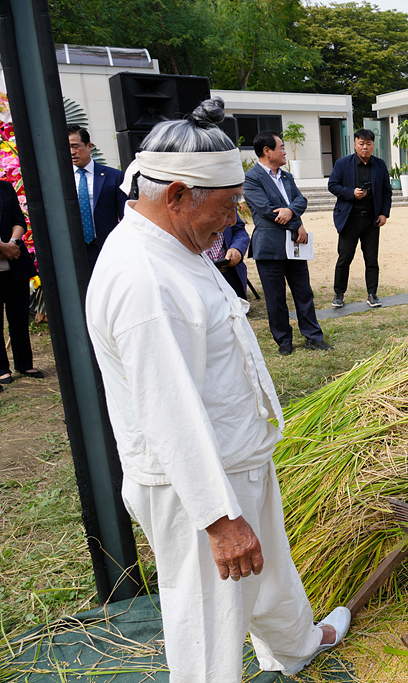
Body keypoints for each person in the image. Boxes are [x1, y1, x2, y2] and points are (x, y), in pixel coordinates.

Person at [86, 98, 350, 683]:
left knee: (271, 571)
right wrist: (218, 519)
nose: (234, 220)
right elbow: (167, 411)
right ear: (177, 194)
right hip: (198, 484)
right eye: (228, 206)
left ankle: (297, 644)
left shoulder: (175, 242)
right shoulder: (144, 280)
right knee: (208, 616)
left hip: (235, 456)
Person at [245, 131, 330, 356]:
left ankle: (313, 336)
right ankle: (284, 340)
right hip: (270, 247)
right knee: (275, 298)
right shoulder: (252, 178)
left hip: (295, 245)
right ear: (267, 151)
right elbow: (267, 210)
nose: (284, 151)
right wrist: (296, 225)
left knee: (304, 293)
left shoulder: (286, 176)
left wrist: (291, 210)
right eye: (281, 147)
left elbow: (301, 200)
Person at [328, 128, 392, 308]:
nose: (365, 147)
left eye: (369, 144)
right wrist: (351, 193)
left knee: (372, 259)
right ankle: (339, 293)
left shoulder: (380, 165)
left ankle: (372, 294)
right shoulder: (343, 164)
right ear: (355, 144)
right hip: (350, 219)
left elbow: (387, 191)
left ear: (373, 145)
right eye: (361, 143)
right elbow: (332, 185)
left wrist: (384, 213)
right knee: (344, 258)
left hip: (372, 220)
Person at [0, 179, 43, 386]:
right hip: (6, 253)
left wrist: (13, 244)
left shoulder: (5, 187)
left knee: (19, 316)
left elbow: (19, 221)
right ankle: (1, 368)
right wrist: (2, 247)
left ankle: (24, 363)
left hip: (15, 262)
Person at [68, 124, 126, 271]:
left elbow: (125, 215)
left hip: (107, 247)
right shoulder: (60, 179)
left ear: (89, 146)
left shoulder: (113, 176)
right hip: (73, 250)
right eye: (67, 147)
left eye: (76, 146)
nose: (72, 152)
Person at [205, 209, 250, 299]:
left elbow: (239, 230)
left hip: (229, 271)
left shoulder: (226, 200)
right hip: (200, 275)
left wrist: (236, 248)